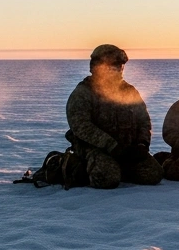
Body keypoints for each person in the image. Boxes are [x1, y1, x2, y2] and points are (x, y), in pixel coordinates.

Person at [65, 44, 162, 188]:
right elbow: (81, 126)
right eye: (112, 66)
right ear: (97, 66)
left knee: (154, 175)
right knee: (107, 179)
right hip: (96, 149)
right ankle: (76, 167)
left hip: (128, 149)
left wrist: (142, 144)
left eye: (119, 67)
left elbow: (143, 119)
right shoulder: (84, 93)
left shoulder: (129, 91)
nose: (116, 71)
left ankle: (120, 169)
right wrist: (111, 146)